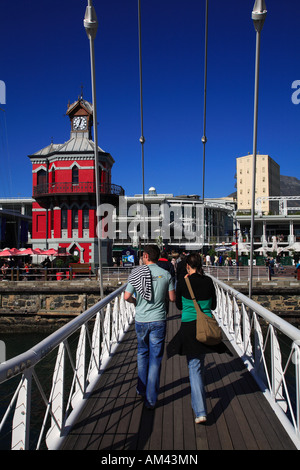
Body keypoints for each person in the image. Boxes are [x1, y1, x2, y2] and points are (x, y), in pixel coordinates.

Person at [168, 252, 228, 424]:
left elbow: (178, 305)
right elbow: (214, 305)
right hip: (205, 327)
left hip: (189, 327)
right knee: (198, 365)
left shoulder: (184, 282)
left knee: (194, 367)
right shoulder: (208, 281)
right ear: (201, 265)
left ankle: (200, 411)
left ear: (187, 265)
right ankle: (198, 404)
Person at [124, 245, 175, 409]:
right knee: (155, 359)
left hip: (141, 320)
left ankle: (141, 387)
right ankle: (151, 398)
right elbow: (172, 299)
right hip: (159, 319)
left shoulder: (137, 273)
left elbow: (126, 296)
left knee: (142, 353)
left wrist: (136, 302)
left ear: (145, 256)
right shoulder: (166, 274)